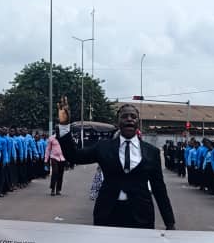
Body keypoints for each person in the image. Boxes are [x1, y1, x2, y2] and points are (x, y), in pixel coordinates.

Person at [56, 97, 176, 229]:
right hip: (107, 214)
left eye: (133, 116)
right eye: (125, 116)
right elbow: (74, 157)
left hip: (141, 216)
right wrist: (64, 126)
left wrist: (169, 223)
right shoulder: (103, 147)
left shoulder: (151, 152)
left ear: (138, 122)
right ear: (117, 122)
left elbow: (159, 188)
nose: (129, 119)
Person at [44, 128, 66, 196]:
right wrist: (46, 159)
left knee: (60, 174)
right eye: (58, 131)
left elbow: (66, 149)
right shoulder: (51, 138)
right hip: (54, 157)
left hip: (62, 158)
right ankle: (53, 189)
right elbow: (48, 149)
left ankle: (58, 190)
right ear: (56, 131)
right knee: (55, 172)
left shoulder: (64, 138)